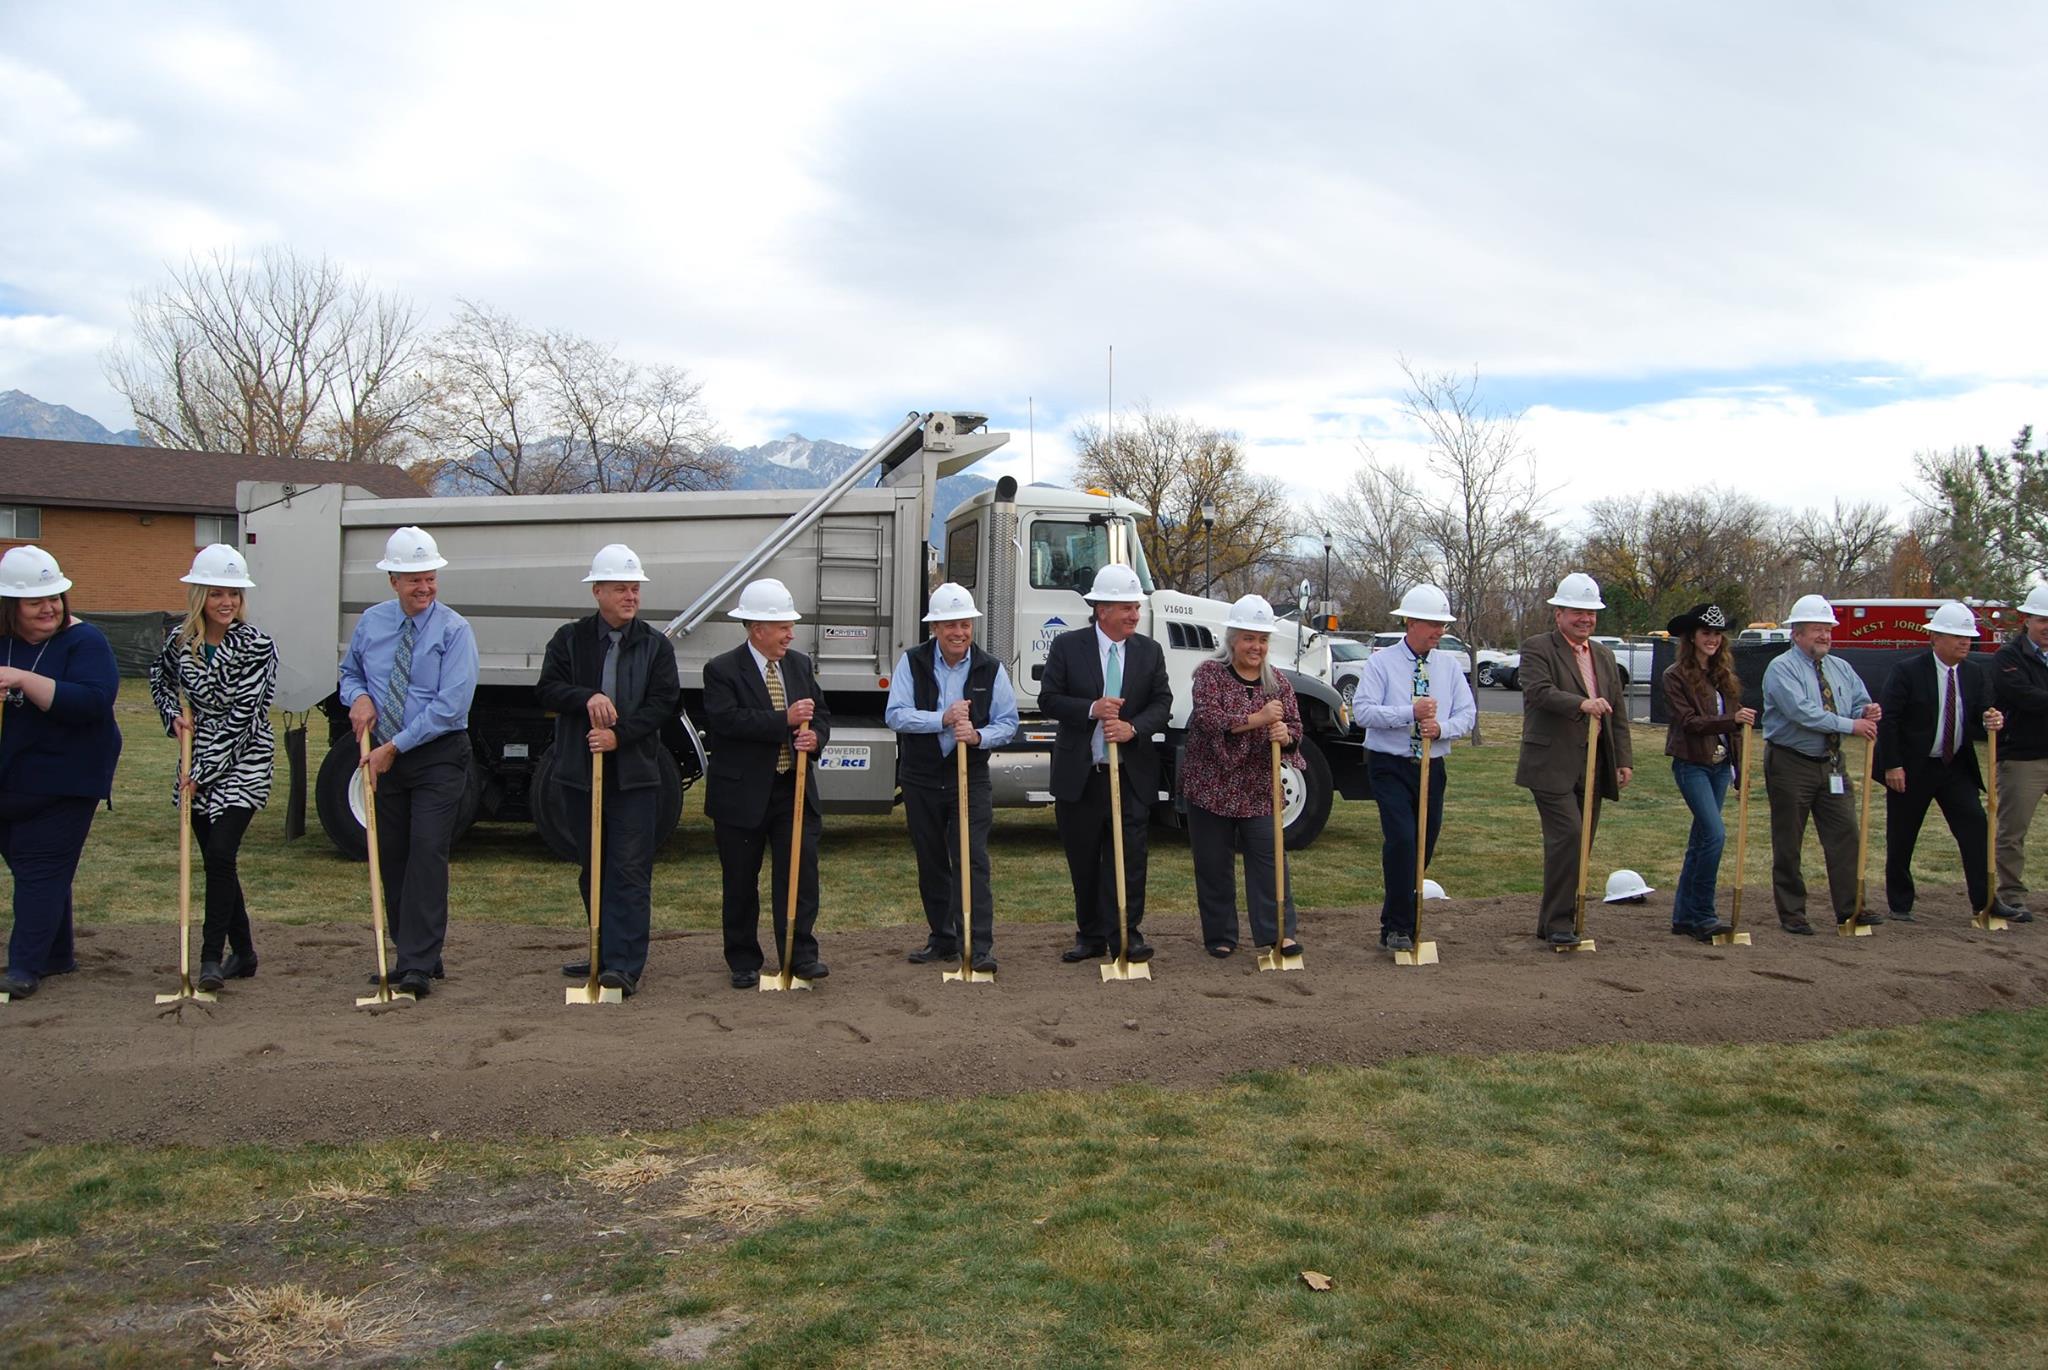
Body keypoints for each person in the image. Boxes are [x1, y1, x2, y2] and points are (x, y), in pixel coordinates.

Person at [338, 526, 478, 997]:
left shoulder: (455, 630)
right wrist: (357, 698)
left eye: (430, 578)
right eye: (414, 579)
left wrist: (393, 746)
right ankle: (412, 951)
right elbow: (350, 671)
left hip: (436, 754)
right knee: (392, 854)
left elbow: (450, 706)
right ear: (393, 580)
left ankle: (417, 961)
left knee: (426, 851)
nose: (424, 588)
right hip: (386, 755)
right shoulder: (372, 623)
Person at [538, 544, 682, 997]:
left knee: (630, 869)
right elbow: (547, 689)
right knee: (592, 866)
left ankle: (624, 963)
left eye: (635, 588)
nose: (630, 595)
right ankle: (601, 947)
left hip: (635, 775)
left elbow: (665, 703)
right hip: (580, 773)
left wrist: (620, 735)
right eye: (621, 587)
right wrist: (586, 697)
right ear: (597, 590)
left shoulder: (655, 645)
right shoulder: (569, 639)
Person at [147, 544, 279, 991]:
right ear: (200, 596)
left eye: (235, 595)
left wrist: (203, 775)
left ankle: (209, 958)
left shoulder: (258, 647)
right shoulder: (179, 643)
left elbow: (245, 717)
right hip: (196, 757)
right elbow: (159, 680)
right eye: (218, 594)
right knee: (217, 863)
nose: (227, 603)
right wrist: (173, 718)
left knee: (222, 853)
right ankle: (244, 953)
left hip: (244, 759)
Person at [0, 546, 121, 1000]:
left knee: (40, 867)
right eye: (36, 602)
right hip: (11, 777)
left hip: (67, 778)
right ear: (11, 607)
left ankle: (24, 967)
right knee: (33, 867)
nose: (49, 608)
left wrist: (23, 680)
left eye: (55, 597)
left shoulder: (84, 641)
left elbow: (92, 702)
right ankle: (55, 953)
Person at [1039, 563, 1172, 963]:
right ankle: (1091, 935)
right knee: (1084, 858)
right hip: (1082, 775)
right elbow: (1049, 699)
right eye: (1126, 607)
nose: (1135, 614)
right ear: (1102, 610)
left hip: (1130, 774)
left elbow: (1162, 703)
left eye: (1136, 607)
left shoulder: (1149, 652)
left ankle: (1127, 934)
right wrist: (1092, 708)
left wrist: (1133, 728)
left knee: (1130, 857)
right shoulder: (1067, 646)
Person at [702, 578, 832, 988]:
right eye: (782, 627)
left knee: (799, 876)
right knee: (740, 880)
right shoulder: (721, 669)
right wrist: (785, 721)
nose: (790, 634)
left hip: (792, 791)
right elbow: (725, 722)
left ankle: (800, 954)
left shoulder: (798, 665)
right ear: (757, 628)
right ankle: (743, 960)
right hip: (741, 796)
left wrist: (815, 739)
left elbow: (820, 715)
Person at [885, 582, 1019, 972]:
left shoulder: (990, 668)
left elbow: (1007, 724)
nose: (958, 632)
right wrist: (941, 719)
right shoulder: (912, 663)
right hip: (921, 777)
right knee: (931, 862)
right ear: (935, 629)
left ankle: (978, 946)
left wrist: (978, 736)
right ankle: (942, 938)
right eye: (950, 626)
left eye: (964, 624)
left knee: (971, 859)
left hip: (969, 779)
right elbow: (896, 714)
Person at [1181, 594, 1307, 958]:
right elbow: (1208, 719)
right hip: (1211, 786)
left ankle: (1278, 932)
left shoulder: (1278, 683)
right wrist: (1258, 719)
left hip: (1259, 789)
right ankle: (1221, 935)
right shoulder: (1209, 675)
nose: (1257, 647)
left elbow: (1295, 727)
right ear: (1233, 639)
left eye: (1263, 640)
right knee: (1214, 864)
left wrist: (1286, 736)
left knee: (1270, 862)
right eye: (1249, 638)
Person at [1352, 584, 1477, 953]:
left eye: (1442, 624)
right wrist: (1410, 713)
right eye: (1431, 624)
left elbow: (1467, 714)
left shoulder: (1449, 666)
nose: (1438, 631)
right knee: (1403, 840)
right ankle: (1398, 927)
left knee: (1423, 846)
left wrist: (1441, 728)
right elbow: (1363, 712)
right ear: (1410, 622)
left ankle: (1395, 918)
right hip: (1389, 764)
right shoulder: (1381, 662)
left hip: (1431, 765)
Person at [1875, 601, 2016, 923]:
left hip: (1955, 768)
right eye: (1957, 636)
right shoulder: (1907, 671)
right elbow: (1890, 720)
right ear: (1935, 637)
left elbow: (1979, 716)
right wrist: (1892, 765)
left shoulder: (1974, 673)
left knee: (1976, 829)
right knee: (1902, 834)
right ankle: (1900, 903)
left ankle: (1985, 901)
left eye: (1968, 637)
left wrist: (1991, 719)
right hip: (1912, 767)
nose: (1965, 642)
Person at [1515, 572, 1635, 947]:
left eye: (1591, 613)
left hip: (1594, 765)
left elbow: (1617, 711)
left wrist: (1623, 759)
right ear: (1559, 614)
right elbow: (1538, 692)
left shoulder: (1603, 655)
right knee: (1568, 835)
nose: (1585, 619)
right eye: (1577, 612)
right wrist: (1581, 704)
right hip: (1549, 763)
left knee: (1581, 842)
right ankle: (1560, 922)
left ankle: (1552, 921)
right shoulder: (1538, 648)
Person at [1760, 593, 1881, 934]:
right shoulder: (1781, 669)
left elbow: (1859, 701)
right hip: (1790, 762)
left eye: (1828, 629)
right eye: (1817, 629)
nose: (1825, 636)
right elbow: (1803, 713)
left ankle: (1851, 908)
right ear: (1796, 633)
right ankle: (1793, 912)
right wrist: (1851, 725)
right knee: (1788, 840)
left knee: (1846, 835)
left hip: (1831, 764)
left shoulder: (1841, 668)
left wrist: (1867, 712)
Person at [1661, 603, 1756, 942]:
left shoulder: (1723, 676)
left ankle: (1684, 917)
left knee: (1701, 839)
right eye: (1706, 633)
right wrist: (1733, 720)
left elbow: (1734, 730)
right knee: (1714, 836)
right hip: (1691, 764)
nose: (1713, 639)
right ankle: (1704, 913)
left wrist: (1740, 769)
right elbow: (1689, 723)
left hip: (1719, 766)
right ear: (1692, 637)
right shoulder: (1674, 675)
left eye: (1717, 634)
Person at [1991, 584, 2048, 921]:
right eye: (2043, 621)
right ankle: (2011, 895)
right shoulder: (2008, 658)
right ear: (2027, 620)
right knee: (2013, 831)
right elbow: (2023, 696)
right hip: (2022, 758)